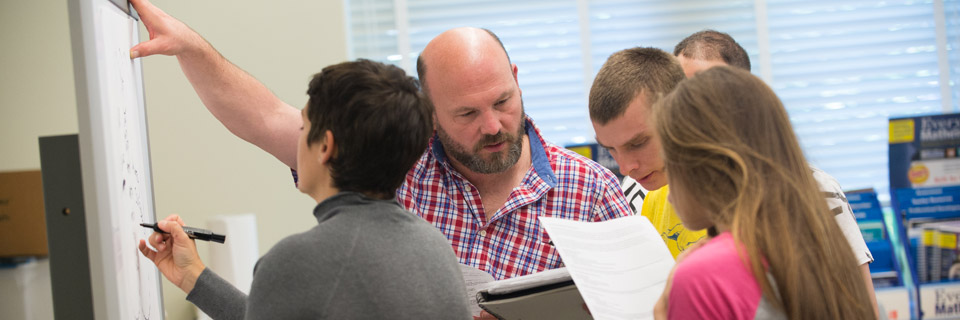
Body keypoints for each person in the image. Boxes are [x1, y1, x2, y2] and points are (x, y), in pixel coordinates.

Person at [128, 0, 632, 281]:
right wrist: (191, 49)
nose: (494, 126)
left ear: (517, 78)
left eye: (502, 101)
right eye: (466, 113)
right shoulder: (394, 162)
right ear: (428, 111)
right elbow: (264, 118)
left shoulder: (591, 192)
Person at [138, 59, 470, 319]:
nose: (298, 138)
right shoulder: (435, 247)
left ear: (324, 146)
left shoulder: (296, 261)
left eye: (303, 125)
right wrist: (192, 276)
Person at [673, 29, 879, 314]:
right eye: (682, 91)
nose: (694, 104)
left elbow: (860, 305)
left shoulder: (816, 189)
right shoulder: (668, 189)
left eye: (712, 90)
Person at [589, 47, 707, 258]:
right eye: (611, 149)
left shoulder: (754, 195)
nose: (625, 168)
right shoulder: (650, 197)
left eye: (638, 143)